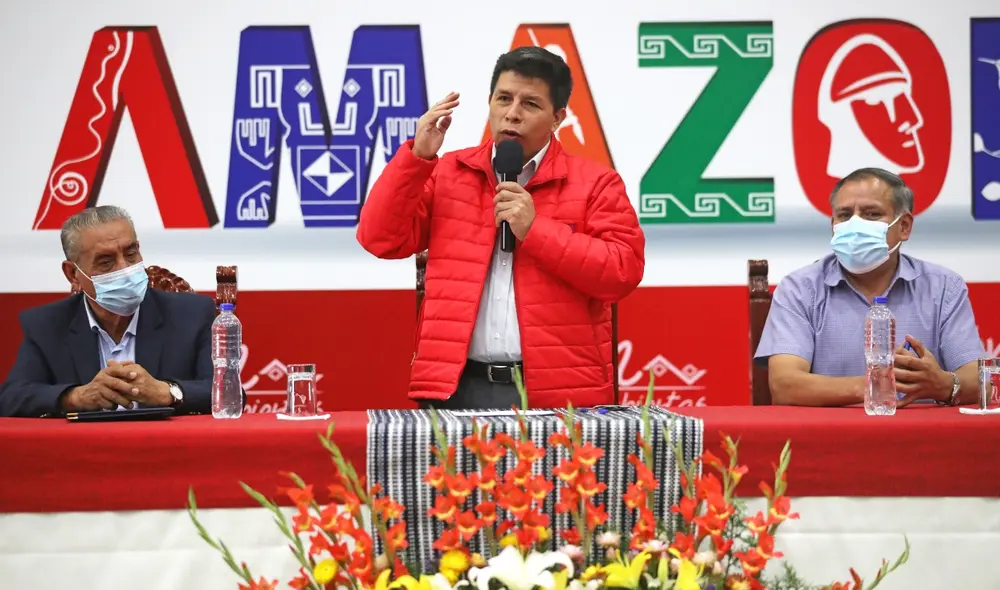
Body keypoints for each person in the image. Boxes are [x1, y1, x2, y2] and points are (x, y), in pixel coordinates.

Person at [356, 46, 645, 409]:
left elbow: (623, 270)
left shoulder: (596, 183)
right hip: (457, 390)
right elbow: (379, 238)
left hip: (557, 396)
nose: (512, 114)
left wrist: (536, 230)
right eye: (503, 98)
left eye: (530, 104)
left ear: (557, 118)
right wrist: (418, 158)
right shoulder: (448, 173)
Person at [754, 168, 985, 407]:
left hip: (922, 439)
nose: (855, 225)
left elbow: (982, 381)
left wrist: (945, 385)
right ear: (833, 225)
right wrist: (878, 384)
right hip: (830, 439)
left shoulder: (943, 287)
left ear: (904, 226)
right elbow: (785, 386)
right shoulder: (800, 289)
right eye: (844, 215)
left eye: (871, 214)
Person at [0, 206, 216, 418]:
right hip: (84, 449)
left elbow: (229, 394)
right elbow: (11, 397)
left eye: (131, 254)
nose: (124, 268)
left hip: (164, 448)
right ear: (73, 273)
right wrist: (76, 397)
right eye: (106, 261)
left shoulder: (192, 315)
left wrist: (168, 392)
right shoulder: (46, 325)